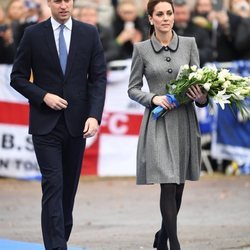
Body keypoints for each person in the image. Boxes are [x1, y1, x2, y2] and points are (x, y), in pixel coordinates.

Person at [10, 0, 107, 249]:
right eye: (57, 0)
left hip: (77, 125)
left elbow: (98, 79)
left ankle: (59, 238)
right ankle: (56, 246)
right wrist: (43, 95)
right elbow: (17, 78)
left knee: (67, 190)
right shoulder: (33, 34)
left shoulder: (89, 33)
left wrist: (94, 116)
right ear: (49, 3)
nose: (63, 5)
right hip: (45, 125)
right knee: (53, 183)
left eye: (67, 0)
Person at [128, 0, 208, 249]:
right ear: (150, 18)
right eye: (159, 14)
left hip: (184, 121)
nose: (165, 18)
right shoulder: (141, 49)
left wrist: (202, 97)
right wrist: (153, 98)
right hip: (158, 123)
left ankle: (161, 236)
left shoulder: (189, 44)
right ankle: (173, 243)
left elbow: (202, 87)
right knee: (168, 184)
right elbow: (133, 89)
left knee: (179, 187)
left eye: (169, 13)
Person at [173, 0, 213, 66]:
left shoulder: (199, 30)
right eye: (177, 13)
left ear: (189, 13)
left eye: (183, 13)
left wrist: (193, 52)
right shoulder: (167, 31)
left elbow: (208, 52)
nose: (180, 17)